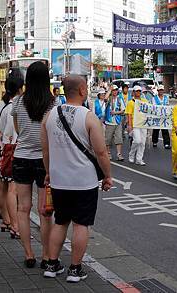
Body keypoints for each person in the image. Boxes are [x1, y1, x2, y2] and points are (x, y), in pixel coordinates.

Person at [42, 75, 112, 282]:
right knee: (81, 224)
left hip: (58, 179)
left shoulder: (50, 115)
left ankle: (52, 264)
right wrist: (107, 176)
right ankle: (75, 268)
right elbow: (101, 152)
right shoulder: (89, 117)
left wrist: (48, 172)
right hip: (84, 181)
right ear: (82, 90)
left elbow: (45, 150)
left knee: (60, 221)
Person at [11, 61, 55, 268]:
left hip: (21, 158)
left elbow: (18, 130)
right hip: (45, 161)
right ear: (47, 79)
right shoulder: (53, 104)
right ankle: (47, 255)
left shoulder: (18, 102)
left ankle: (29, 254)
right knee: (45, 210)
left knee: (23, 209)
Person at [0, 75, 24, 238]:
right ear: (20, 88)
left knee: (4, 186)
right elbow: (17, 132)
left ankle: (6, 220)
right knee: (13, 189)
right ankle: (15, 225)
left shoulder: (2, 105)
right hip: (13, 149)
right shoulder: (16, 107)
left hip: (3, 149)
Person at [125, 85, 149, 165]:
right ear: (133, 92)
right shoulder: (130, 102)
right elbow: (129, 114)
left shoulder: (145, 101)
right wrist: (129, 125)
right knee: (137, 141)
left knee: (142, 142)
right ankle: (131, 155)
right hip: (135, 124)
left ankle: (139, 159)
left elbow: (149, 111)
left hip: (143, 124)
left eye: (139, 91)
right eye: (136, 91)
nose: (138, 92)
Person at [104, 84, 126, 161]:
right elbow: (105, 98)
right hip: (109, 121)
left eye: (116, 90)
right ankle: (108, 153)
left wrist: (116, 112)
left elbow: (123, 110)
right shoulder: (109, 98)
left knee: (119, 138)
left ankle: (119, 154)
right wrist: (109, 89)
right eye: (113, 90)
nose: (115, 92)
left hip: (118, 121)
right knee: (108, 139)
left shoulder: (120, 99)